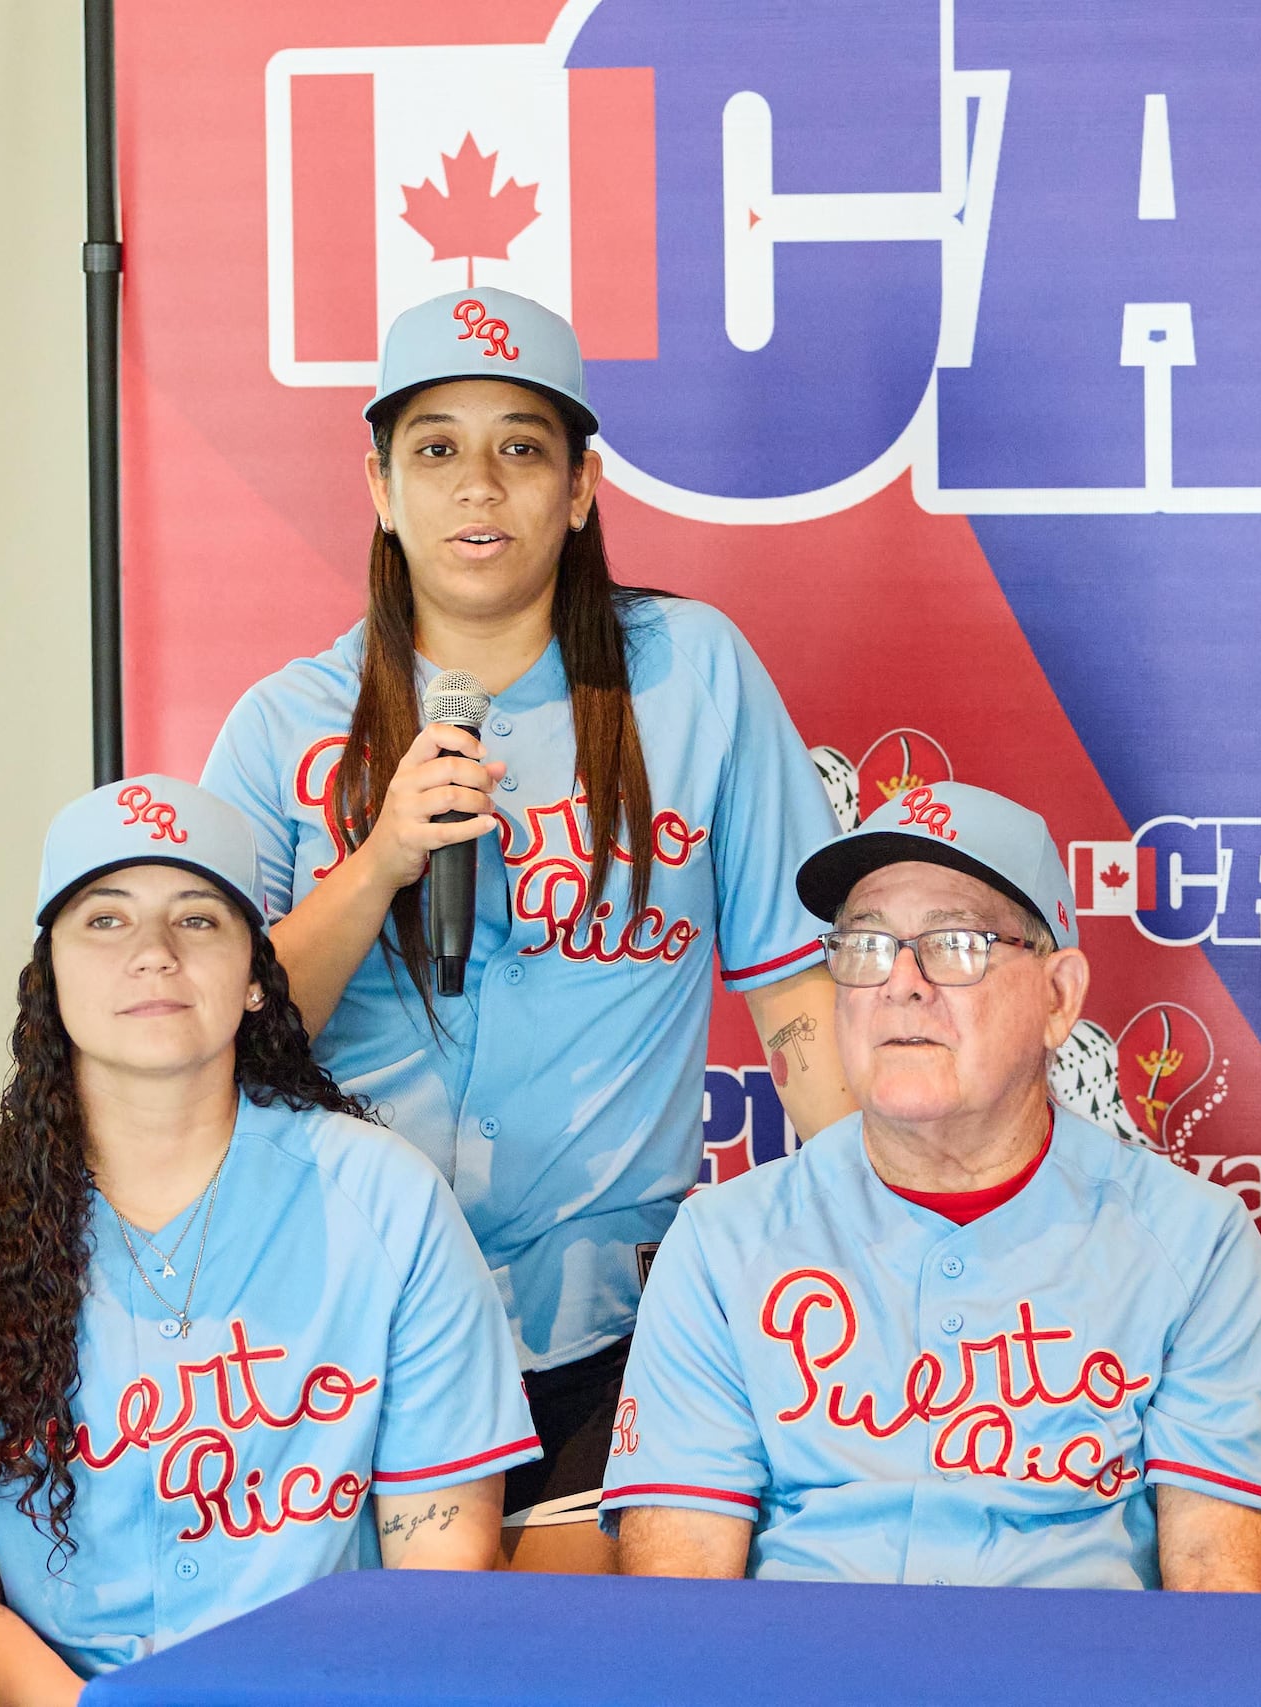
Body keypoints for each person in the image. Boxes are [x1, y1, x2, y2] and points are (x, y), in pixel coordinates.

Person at [201, 286, 849, 1567]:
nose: (478, 487)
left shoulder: (692, 675)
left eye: (521, 447)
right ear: (380, 486)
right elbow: (222, 1034)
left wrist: (862, 1251)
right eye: (434, 449)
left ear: (582, 486)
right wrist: (382, 858)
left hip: (612, 1325)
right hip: (349, 1317)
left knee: (579, 1664)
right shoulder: (285, 723)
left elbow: (797, 1006)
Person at [0, 776, 537, 1704]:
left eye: (198, 920)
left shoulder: (387, 1202)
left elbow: (441, 1559)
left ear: (257, 975)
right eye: (105, 920)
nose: (154, 956)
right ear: (47, 974)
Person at [602, 781, 1261, 1589]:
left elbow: (1217, 1608)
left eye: (955, 943)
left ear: (1058, 996)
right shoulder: (721, 1244)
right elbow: (681, 1599)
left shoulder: (1196, 1240)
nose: (901, 982)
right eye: (866, 944)